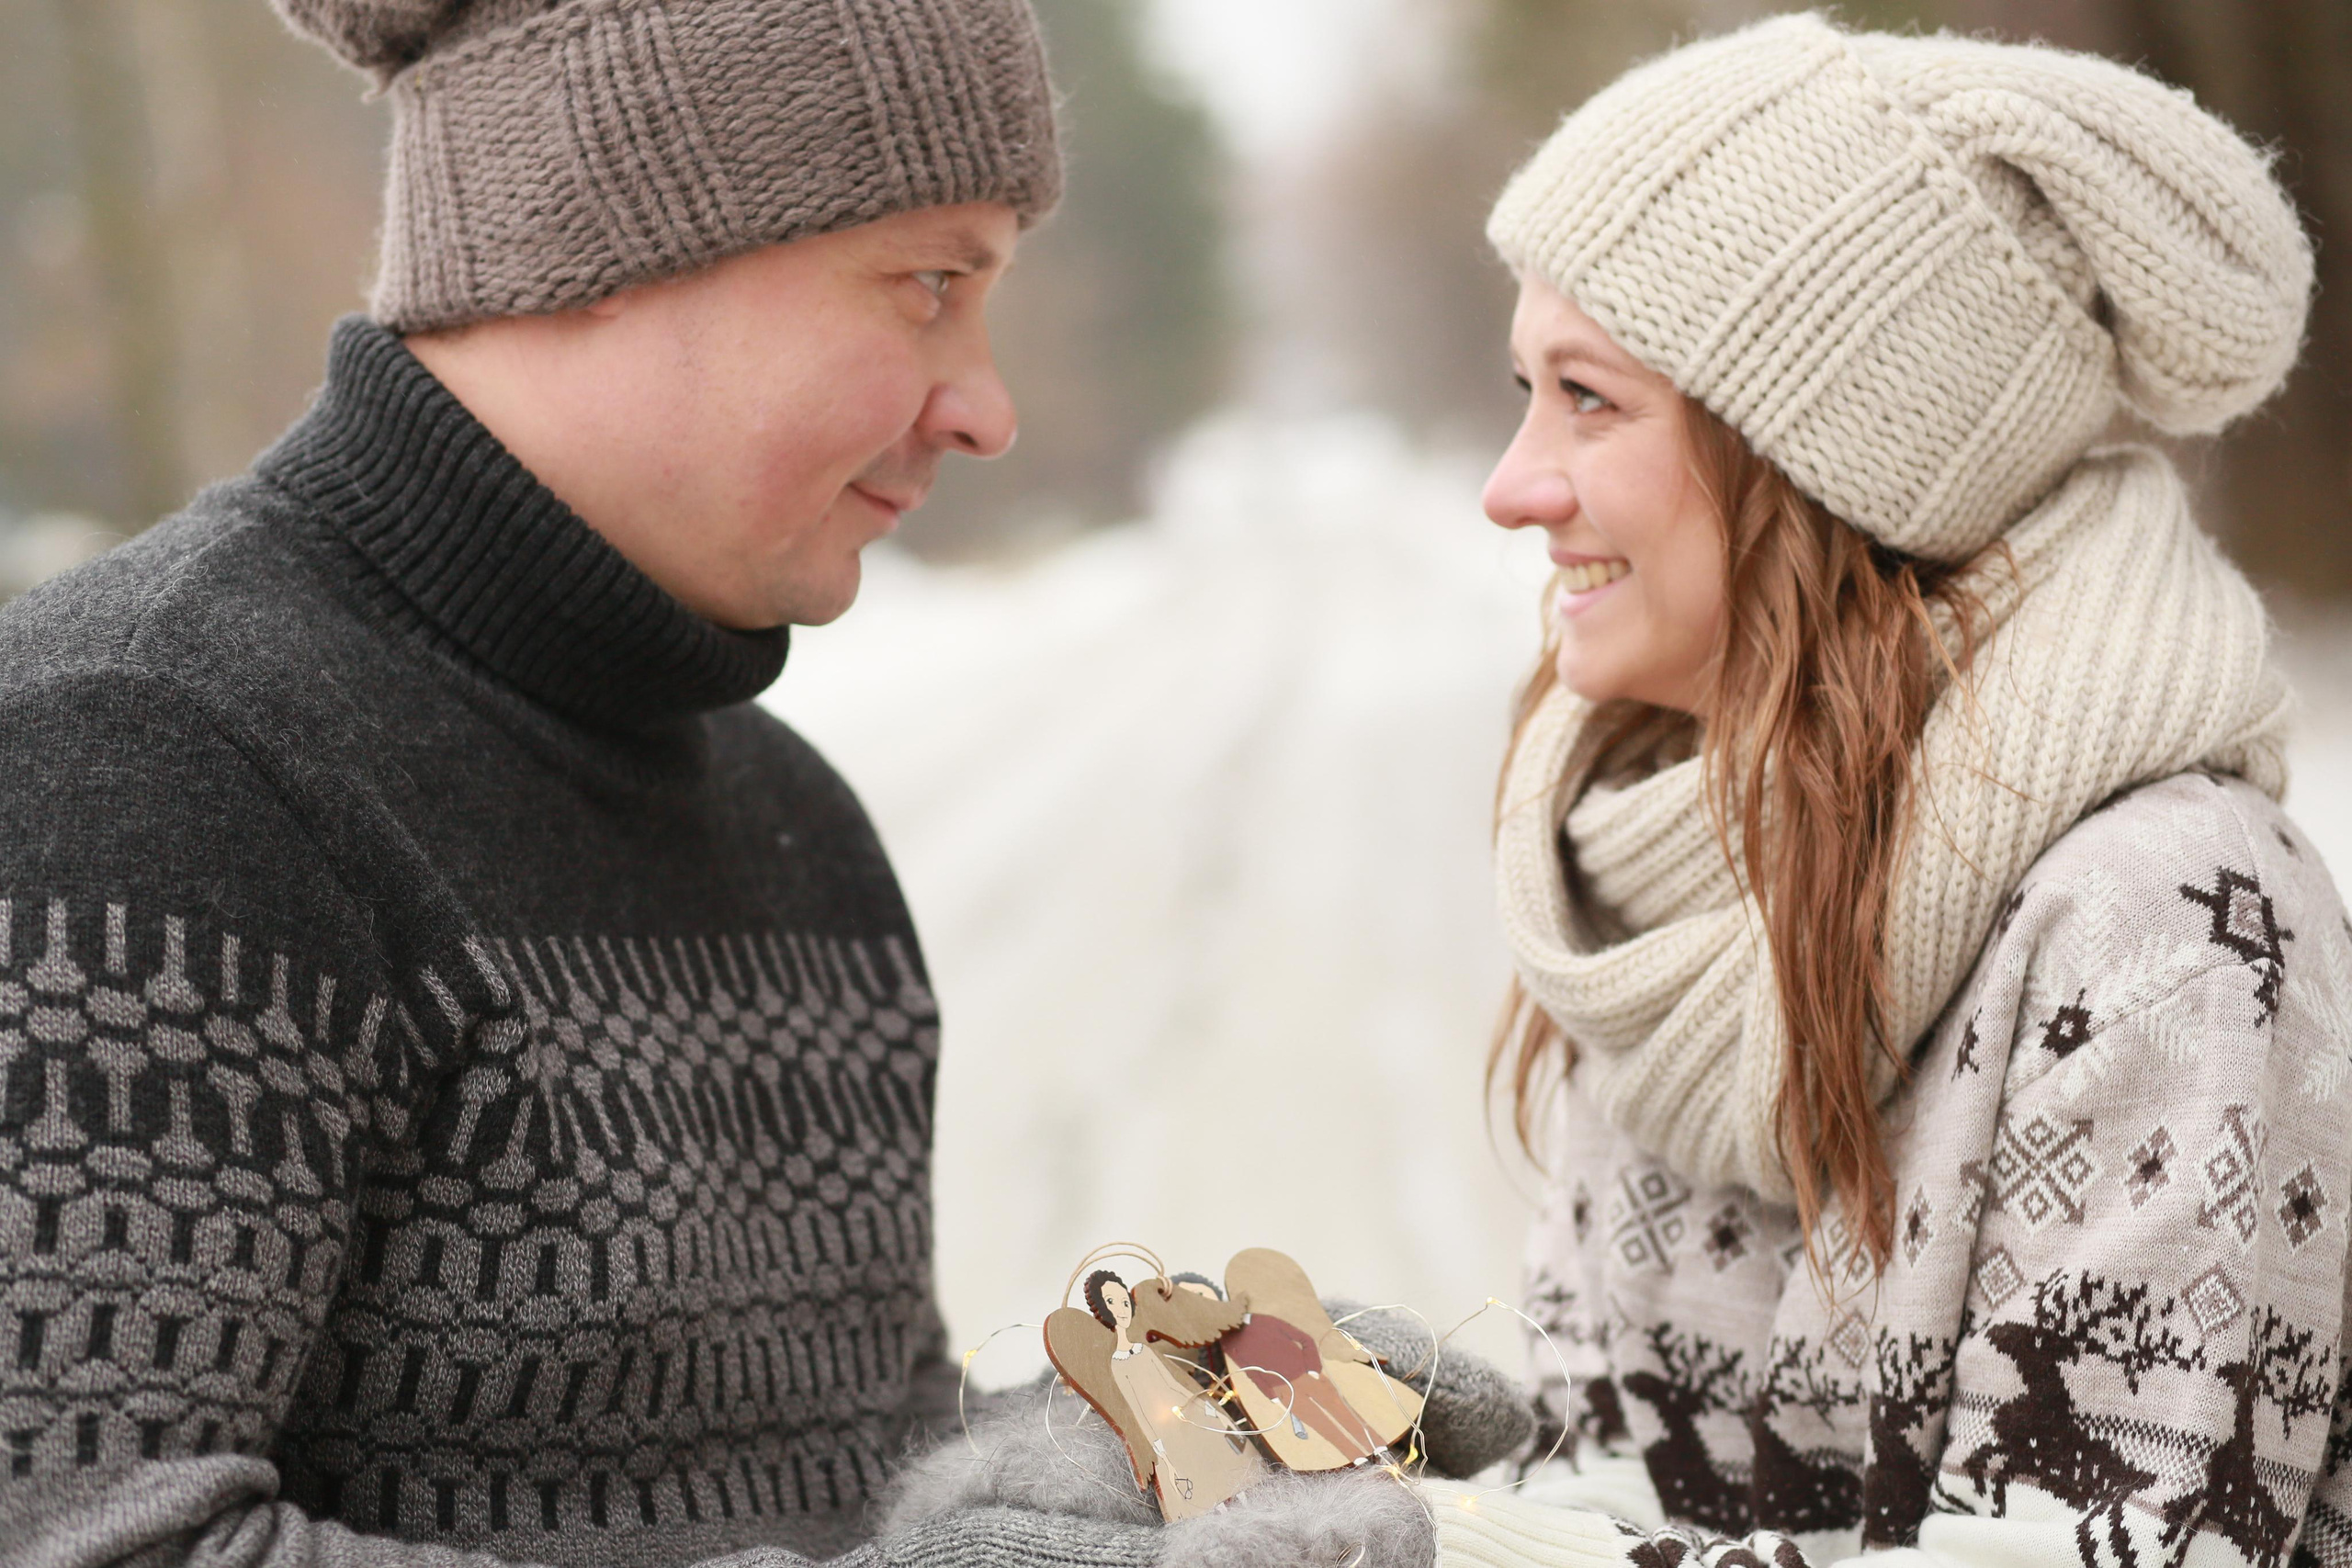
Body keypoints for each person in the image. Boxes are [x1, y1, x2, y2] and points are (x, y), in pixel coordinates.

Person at [0, 3, 1529, 1567]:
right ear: (597, 234)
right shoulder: (137, 758)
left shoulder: (788, 821)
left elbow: (826, 1495)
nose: (986, 406)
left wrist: (1110, 1442)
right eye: (930, 286)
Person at [1426, 15, 2352, 1568]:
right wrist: (1420, 1465)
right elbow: (1695, 1497)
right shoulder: (1675, 879)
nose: (1513, 482)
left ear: (1829, 453)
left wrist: (1472, 1558)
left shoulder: (2166, 935)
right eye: (1525, 388)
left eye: (1587, 397)